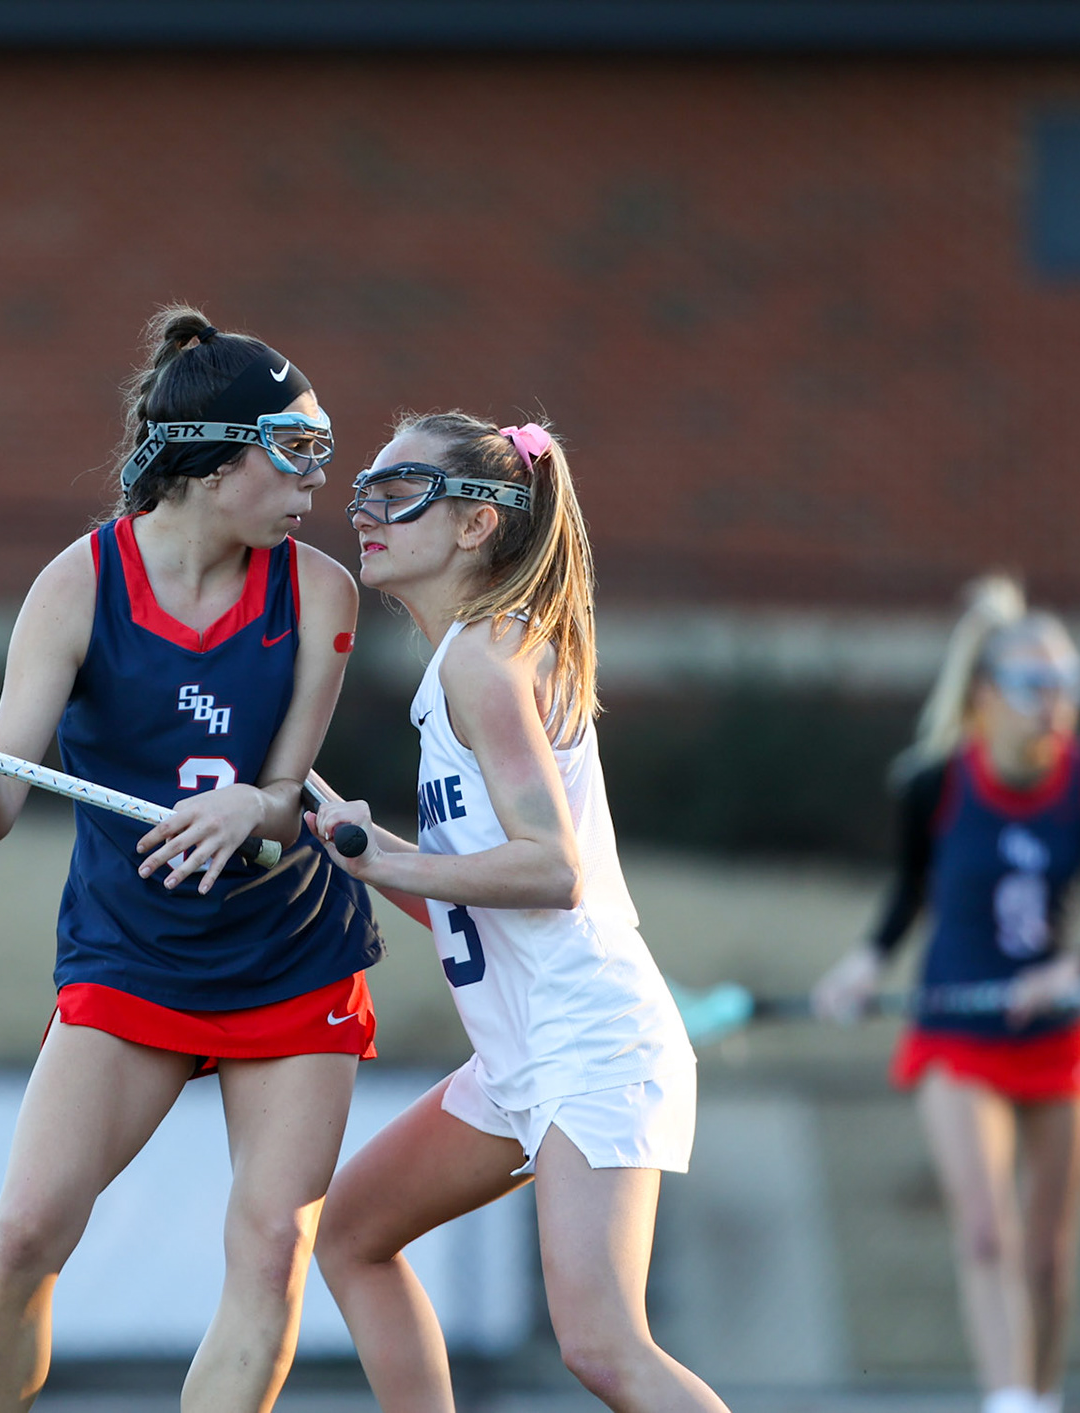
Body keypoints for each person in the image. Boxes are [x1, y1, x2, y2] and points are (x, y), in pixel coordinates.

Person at [0, 308, 383, 1413]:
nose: (320, 478)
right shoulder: (77, 587)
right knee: (26, 1232)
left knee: (269, 1253)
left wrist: (256, 812)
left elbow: (284, 793)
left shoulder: (319, 593)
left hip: (289, 957)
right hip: (131, 956)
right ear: (215, 460)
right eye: (296, 449)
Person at [305, 413, 727, 1413]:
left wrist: (389, 855)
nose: (368, 510)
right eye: (367, 484)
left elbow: (550, 872)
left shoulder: (483, 663)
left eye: (402, 490)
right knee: (354, 1234)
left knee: (605, 1348)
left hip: (591, 1039)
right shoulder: (470, 657)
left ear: (474, 527)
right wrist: (369, 855)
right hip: (522, 1056)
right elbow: (481, 910)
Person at [813, 576, 1080, 1413]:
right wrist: (863, 965)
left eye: (1070, 685)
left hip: (1057, 1034)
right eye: (1038, 686)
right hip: (957, 1031)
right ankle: (1008, 1400)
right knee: (988, 1231)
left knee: (1046, 1255)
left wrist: (1073, 969)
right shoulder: (937, 784)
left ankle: (1042, 1394)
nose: (1057, 704)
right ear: (989, 693)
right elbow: (908, 896)